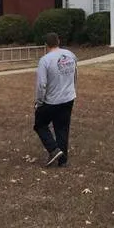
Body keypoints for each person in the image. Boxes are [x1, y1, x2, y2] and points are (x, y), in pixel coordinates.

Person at [34, 32, 77, 167]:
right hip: (69, 97)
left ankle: (54, 149)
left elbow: (42, 84)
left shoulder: (45, 60)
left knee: (40, 125)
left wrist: (39, 102)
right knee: (62, 128)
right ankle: (62, 160)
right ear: (58, 41)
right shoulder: (70, 55)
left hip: (52, 100)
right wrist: (72, 89)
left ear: (46, 45)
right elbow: (75, 75)